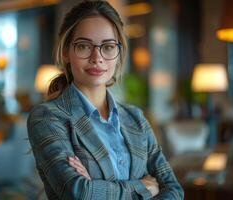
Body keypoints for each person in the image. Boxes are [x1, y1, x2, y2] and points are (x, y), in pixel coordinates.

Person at [27, 1, 184, 199]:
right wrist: (144, 187)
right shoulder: (47, 118)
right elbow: (79, 192)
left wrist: (98, 188)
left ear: (118, 54)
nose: (97, 57)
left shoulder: (135, 118)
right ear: (66, 52)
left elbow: (174, 189)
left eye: (108, 47)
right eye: (83, 46)